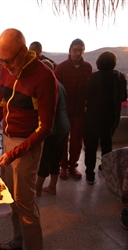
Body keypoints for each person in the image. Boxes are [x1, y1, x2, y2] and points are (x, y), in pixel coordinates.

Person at [0, 28, 58, 250]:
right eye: (1, 61)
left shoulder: (44, 78)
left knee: (24, 202)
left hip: (28, 144)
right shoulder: (6, 69)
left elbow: (45, 128)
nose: (6, 66)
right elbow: (2, 103)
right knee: (11, 198)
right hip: (8, 139)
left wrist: (13, 153)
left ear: (24, 51)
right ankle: (18, 241)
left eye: (9, 61)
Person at [84, 51, 127, 184]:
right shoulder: (120, 77)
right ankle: (106, 168)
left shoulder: (94, 77)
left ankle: (90, 173)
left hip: (93, 116)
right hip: (111, 117)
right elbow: (123, 97)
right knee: (107, 144)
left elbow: (87, 96)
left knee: (91, 145)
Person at [54, 38, 93, 180]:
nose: (78, 53)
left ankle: (73, 165)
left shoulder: (88, 67)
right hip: (64, 110)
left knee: (77, 139)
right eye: (75, 50)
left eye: (81, 50)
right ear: (69, 51)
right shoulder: (61, 68)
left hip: (80, 110)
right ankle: (63, 166)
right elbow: (56, 90)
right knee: (63, 138)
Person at [35, 59, 70, 196]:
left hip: (53, 129)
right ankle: (52, 187)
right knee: (55, 159)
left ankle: (37, 188)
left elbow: (47, 110)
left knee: (44, 159)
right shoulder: (59, 84)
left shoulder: (48, 85)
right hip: (64, 127)